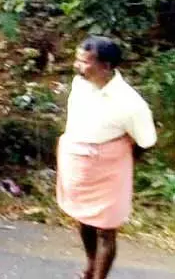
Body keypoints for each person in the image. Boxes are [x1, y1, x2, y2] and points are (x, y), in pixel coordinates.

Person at [56, 36, 157, 279]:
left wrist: (118, 161)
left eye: (85, 61)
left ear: (107, 66)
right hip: (78, 163)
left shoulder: (130, 103)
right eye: (77, 59)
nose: (77, 65)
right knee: (84, 219)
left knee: (106, 229)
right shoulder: (80, 83)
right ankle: (91, 266)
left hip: (109, 167)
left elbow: (146, 141)